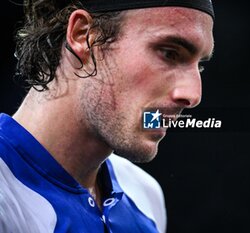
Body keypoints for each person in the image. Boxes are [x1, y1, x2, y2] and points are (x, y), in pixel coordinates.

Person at [0, 0, 214, 232]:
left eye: (199, 66)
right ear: (83, 36)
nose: (193, 95)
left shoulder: (145, 195)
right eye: (169, 53)